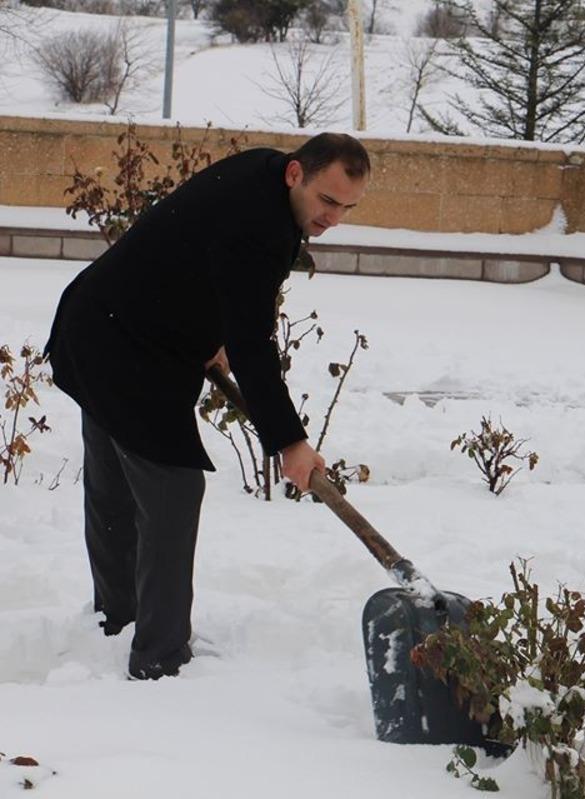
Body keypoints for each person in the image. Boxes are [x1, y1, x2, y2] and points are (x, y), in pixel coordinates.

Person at [45, 132, 371, 680]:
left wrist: (212, 328)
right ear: (296, 174)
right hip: (126, 348)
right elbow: (253, 343)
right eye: (328, 200)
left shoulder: (263, 173)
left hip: (97, 320)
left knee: (117, 489)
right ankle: (160, 658)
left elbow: (204, 256)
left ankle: (117, 619)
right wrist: (289, 441)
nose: (333, 218)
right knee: (171, 491)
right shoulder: (260, 227)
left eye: (347, 207)